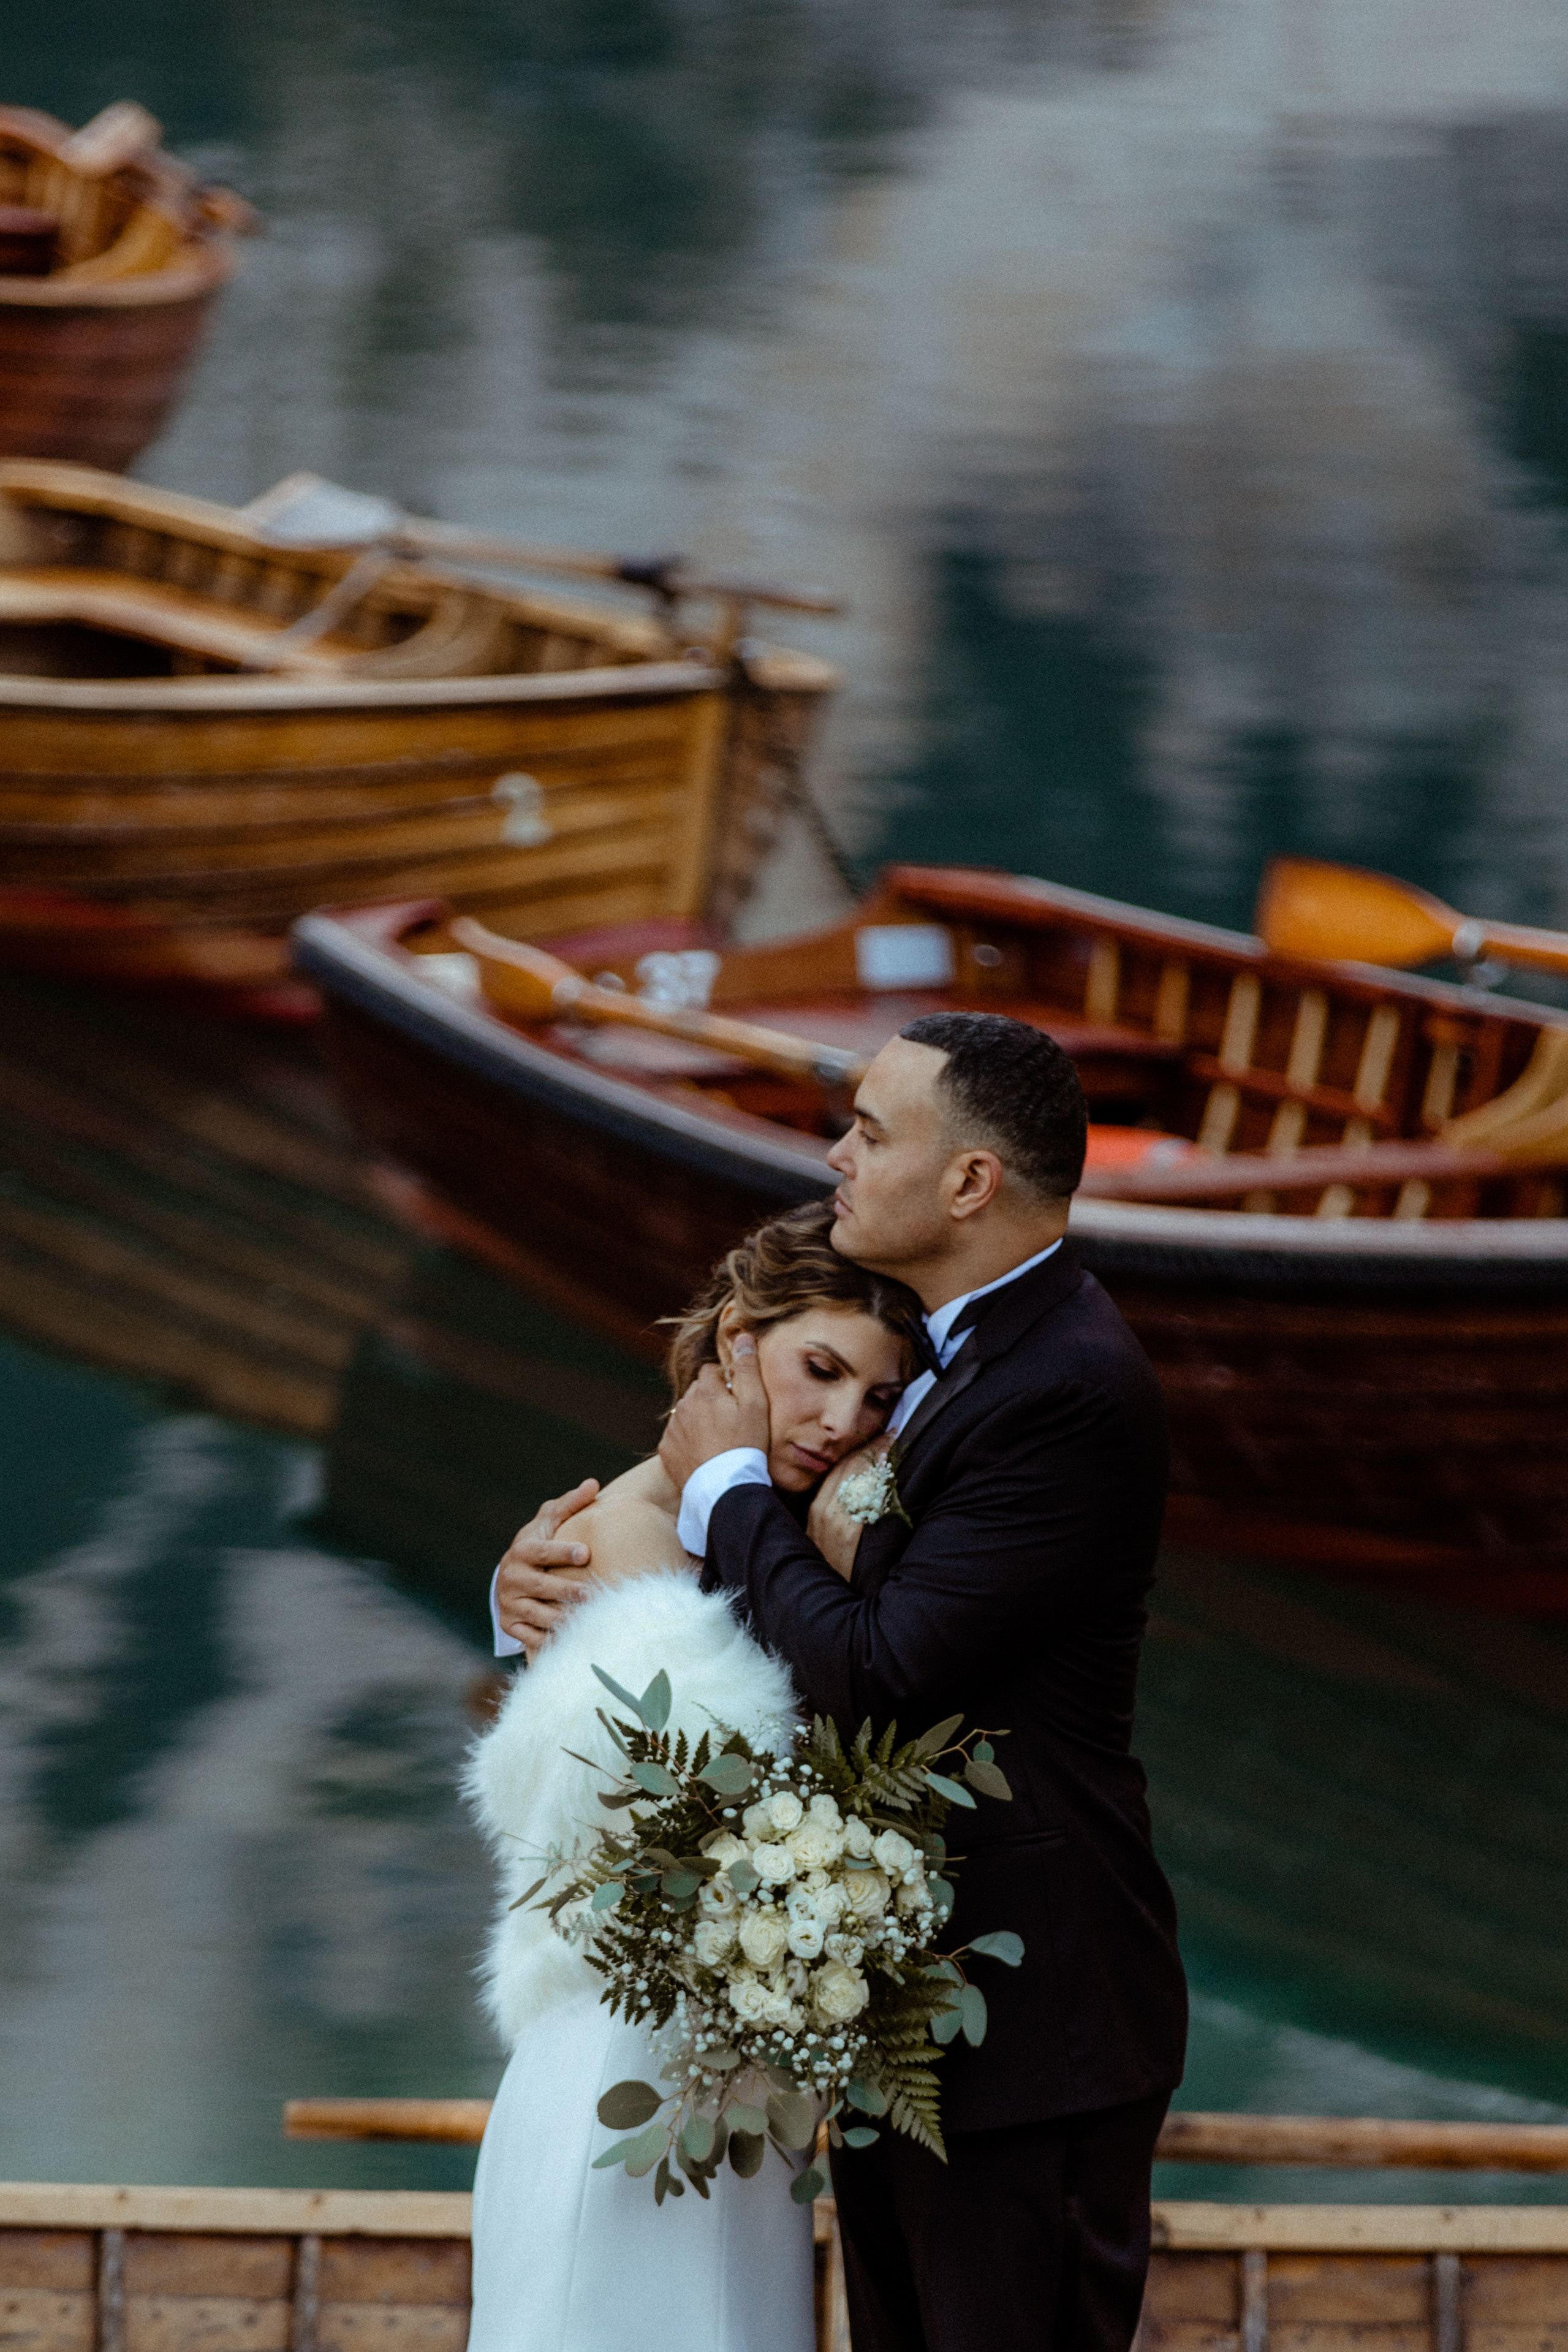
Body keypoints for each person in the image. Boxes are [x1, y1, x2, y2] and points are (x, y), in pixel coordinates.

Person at [496, 1011, 1187, 2352]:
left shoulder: (1068, 1387)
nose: (837, 1153)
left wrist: (726, 1484)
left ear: (970, 1182)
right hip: (882, 2005)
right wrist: (534, 1585)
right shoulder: (938, 1348)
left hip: (1026, 2017)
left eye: (871, 1132)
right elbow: (749, 1621)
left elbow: (878, 1668)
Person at [464, 1202, 926, 2352]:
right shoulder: (617, 1547)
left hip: (727, 2087)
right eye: (817, 1367)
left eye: (877, 1398)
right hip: (622, 2069)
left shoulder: (762, 1531)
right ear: (734, 1341)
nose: (837, 1419)